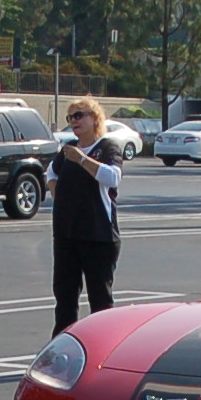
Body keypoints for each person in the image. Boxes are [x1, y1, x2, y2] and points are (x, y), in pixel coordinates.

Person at [50, 96, 122, 332]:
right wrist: (59, 195)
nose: (74, 121)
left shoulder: (107, 147)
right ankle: (61, 349)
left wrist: (82, 160)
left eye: (80, 115)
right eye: (71, 117)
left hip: (98, 236)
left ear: (95, 118)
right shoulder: (68, 149)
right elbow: (50, 174)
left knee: (100, 300)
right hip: (66, 235)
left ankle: (103, 347)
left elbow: (113, 178)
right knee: (65, 299)